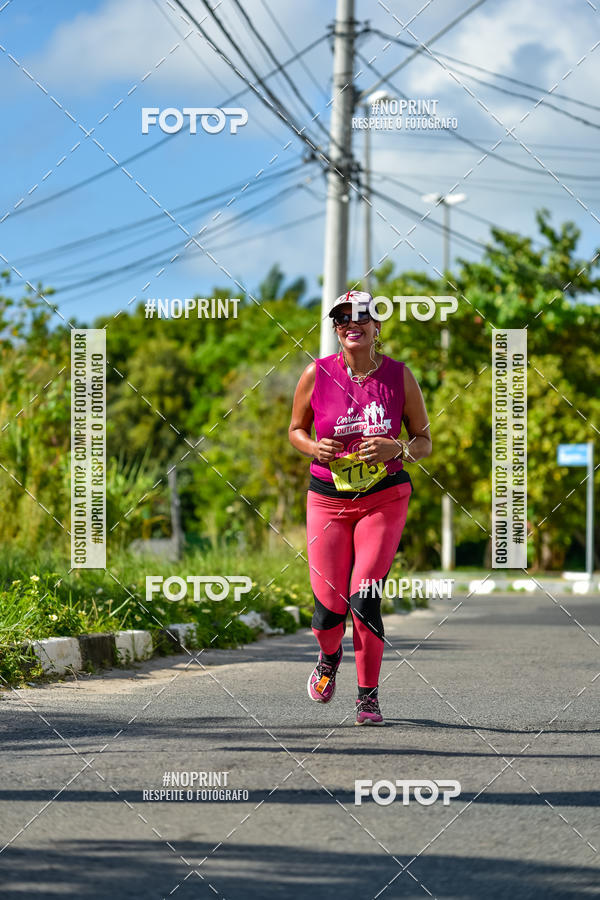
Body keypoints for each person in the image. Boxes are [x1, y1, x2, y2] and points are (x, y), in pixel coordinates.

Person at [288, 290, 432, 725]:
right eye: (342, 318)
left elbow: (424, 442)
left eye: (362, 317)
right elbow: (295, 430)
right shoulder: (316, 373)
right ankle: (328, 656)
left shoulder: (399, 377)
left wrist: (398, 447)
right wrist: (316, 447)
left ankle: (367, 696)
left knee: (364, 597)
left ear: (377, 327)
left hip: (383, 498)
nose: (352, 324)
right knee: (328, 608)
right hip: (328, 498)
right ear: (336, 328)